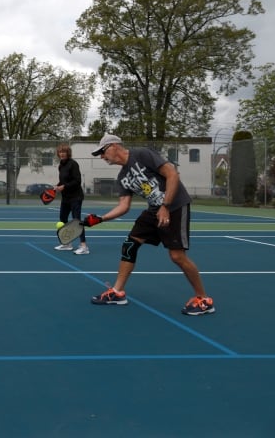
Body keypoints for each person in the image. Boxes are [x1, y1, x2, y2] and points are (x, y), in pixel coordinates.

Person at [85, 134, 215, 315]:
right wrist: (100, 218)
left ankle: (204, 299)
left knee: (177, 256)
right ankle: (117, 292)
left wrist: (166, 206)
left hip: (175, 205)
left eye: (103, 151)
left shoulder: (142, 154)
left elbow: (172, 174)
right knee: (130, 245)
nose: (102, 157)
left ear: (114, 146)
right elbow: (124, 205)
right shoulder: (122, 177)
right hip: (154, 209)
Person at [53, 143, 89, 255]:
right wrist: (57, 186)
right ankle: (67, 244)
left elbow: (77, 181)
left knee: (76, 221)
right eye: (60, 152)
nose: (62, 154)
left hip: (76, 197)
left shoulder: (73, 164)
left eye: (64, 152)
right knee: (62, 219)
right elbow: (63, 181)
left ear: (68, 153)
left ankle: (84, 246)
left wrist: (63, 186)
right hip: (66, 197)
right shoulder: (61, 165)